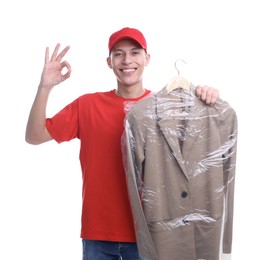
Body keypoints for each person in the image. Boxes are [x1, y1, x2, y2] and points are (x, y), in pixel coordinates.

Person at [25, 27, 219, 260]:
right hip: (99, 236)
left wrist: (206, 100)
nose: (127, 60)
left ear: (147, 58)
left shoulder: (165, 108)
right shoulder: (87, 105)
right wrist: (45, 87)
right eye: (119, 54)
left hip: (150, 233)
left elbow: (199, 159)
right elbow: (34, 136)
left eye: (135, 53)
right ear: (109, 61)